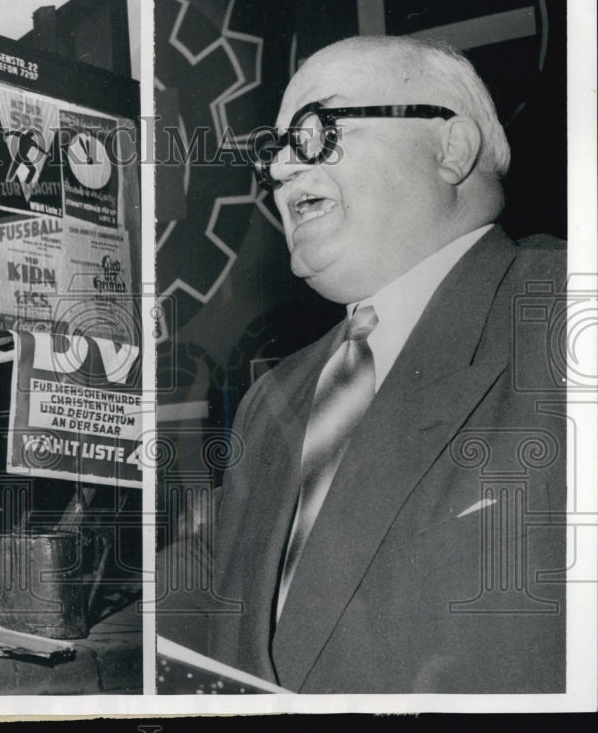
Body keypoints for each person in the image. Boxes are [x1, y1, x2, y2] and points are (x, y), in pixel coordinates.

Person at [158, 36, 566, 693]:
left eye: (317, 131)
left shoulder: (563, 319)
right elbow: (213, 574)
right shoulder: (274, 397)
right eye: (275, 149)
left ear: (450, 147)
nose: (282, 170)